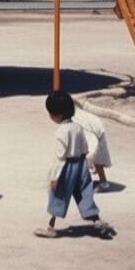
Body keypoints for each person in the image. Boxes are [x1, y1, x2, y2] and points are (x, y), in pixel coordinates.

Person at [34, 90, 115, 239]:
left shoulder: (61, 132)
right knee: (84, 193)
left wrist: (55, 177)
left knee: (58, 196)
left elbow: (60, 157)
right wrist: (86, 164)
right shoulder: (77, 127)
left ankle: (51, 227)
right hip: (81, 164)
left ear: (57, 115)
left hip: (67, 167)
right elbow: (85, 147)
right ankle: (97, 220)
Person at [72, 105, 113, 191]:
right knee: (94, 158)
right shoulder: (74, 116)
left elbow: (91, 149)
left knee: (95, 158)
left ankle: (101, 182)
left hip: (95, 131)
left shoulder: (76, 121)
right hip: (94, 127)